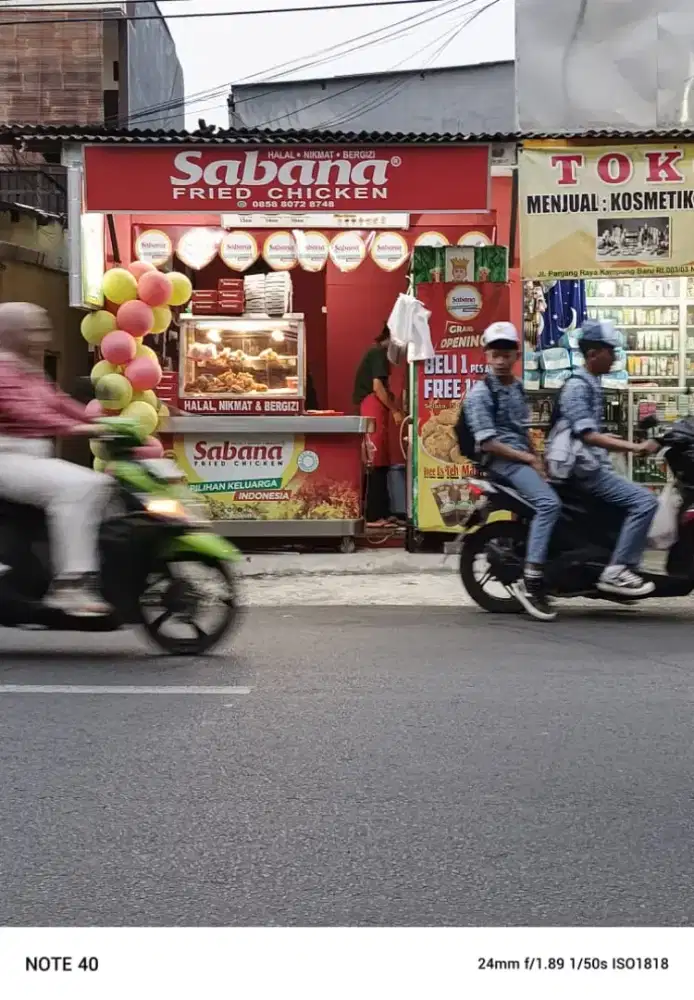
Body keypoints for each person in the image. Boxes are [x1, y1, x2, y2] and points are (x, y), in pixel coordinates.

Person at [0, 303, 112, 616]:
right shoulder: (4, 370)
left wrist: (106, 422)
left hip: (32, 457)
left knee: (100, 484)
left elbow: (58, 401)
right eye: (33, 329)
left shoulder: (29, 369)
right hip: (9, 457)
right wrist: (76, 427)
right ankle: (70, 585)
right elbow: (23, 411)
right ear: (12, 333)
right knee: (83, 486)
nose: (42, 336)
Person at [464, 321, 561, 621]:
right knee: (549, 505)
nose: (502, 360)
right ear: (487, 356)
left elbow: (520, 430)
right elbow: (489, 443)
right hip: (502, 464)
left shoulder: (518, 388)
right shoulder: (480, 395)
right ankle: (532, 580)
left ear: (517, 356)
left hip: (520, 459)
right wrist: (529, 460)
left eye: (507, 354)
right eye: (496, 353)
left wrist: (539, 459)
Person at [557, 318, 659, 596]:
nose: (615, 357)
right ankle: (618, 569)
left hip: (592, 466)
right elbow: (587, 435)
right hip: (586, 473)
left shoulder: (591, 383)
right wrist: (635, 448)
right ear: (593, 354)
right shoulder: (578, 386)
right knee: (645, 502)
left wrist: (630, 443)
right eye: (610, 351)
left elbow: (595, 436)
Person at [353, 324, 403, 525]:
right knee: (374, 461)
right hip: (372, 406)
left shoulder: (378, 354)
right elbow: (377, 387)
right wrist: (395, 410)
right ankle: (373, 515)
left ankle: (383, 511)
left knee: (382, 460)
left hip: (375, 408)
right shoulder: (378, 353)